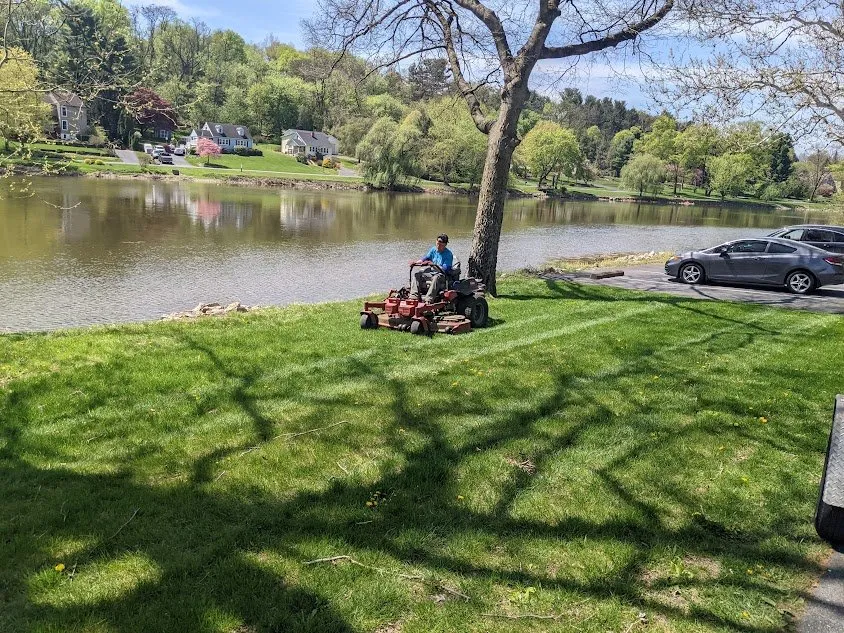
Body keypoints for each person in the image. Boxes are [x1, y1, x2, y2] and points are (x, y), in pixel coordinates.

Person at [409, 234, 454, 301]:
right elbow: (425, 258)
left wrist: (433, 265)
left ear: (445, 245)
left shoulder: (448, 254)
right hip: (431, 273)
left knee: (436, 278)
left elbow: (445, 269)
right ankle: (413, 297)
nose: (438, 246)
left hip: (442, 275)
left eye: (441, 245)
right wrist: (416, 263)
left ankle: (428, 299)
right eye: (437, 244)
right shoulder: (433, 250)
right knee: (417, 275)